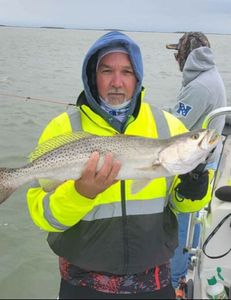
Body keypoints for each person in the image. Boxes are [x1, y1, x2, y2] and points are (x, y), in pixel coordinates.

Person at [26, 31, 213, 299]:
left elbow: (181, 206)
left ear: (137, 77)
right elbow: (43, 217)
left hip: (154, 283)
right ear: (93, 75)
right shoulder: (62, 128)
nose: (117, 82)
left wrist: (192, 191)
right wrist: (80, 194)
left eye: (126, 71)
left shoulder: (169, 126)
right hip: (83, 286)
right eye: (106, 71)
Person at [166, 31, 227, 295]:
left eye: (178, 55)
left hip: (196, 167)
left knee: (179, 220)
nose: (176, 60)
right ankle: (181, 271)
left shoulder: (200, 86)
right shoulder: (207, 76)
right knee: (189, 219)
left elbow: (176, 127)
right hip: (203, 162)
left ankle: (175, 278)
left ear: (187, 55)